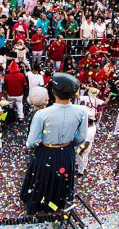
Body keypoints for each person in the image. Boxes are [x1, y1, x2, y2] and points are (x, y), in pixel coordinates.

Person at [20, 72, 88, 214]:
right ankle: (57, 202)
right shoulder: (82, 111)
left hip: (45, 151)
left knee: (41, 178)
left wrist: (35, 147)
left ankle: (38, 203)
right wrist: (68, 143)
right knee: (62, 179)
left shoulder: (42, 114)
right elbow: (81, 138)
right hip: (67, 150)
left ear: (53, 91)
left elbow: (31, 141)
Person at [76, 108, 98, 176]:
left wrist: (82, 150)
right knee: (85, 157)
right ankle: (84, 167)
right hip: (88, 145)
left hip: (84, 146)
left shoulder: (89, 131)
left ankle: (80, 171)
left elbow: (87, 143)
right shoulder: (93, 126)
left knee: (81, 158)